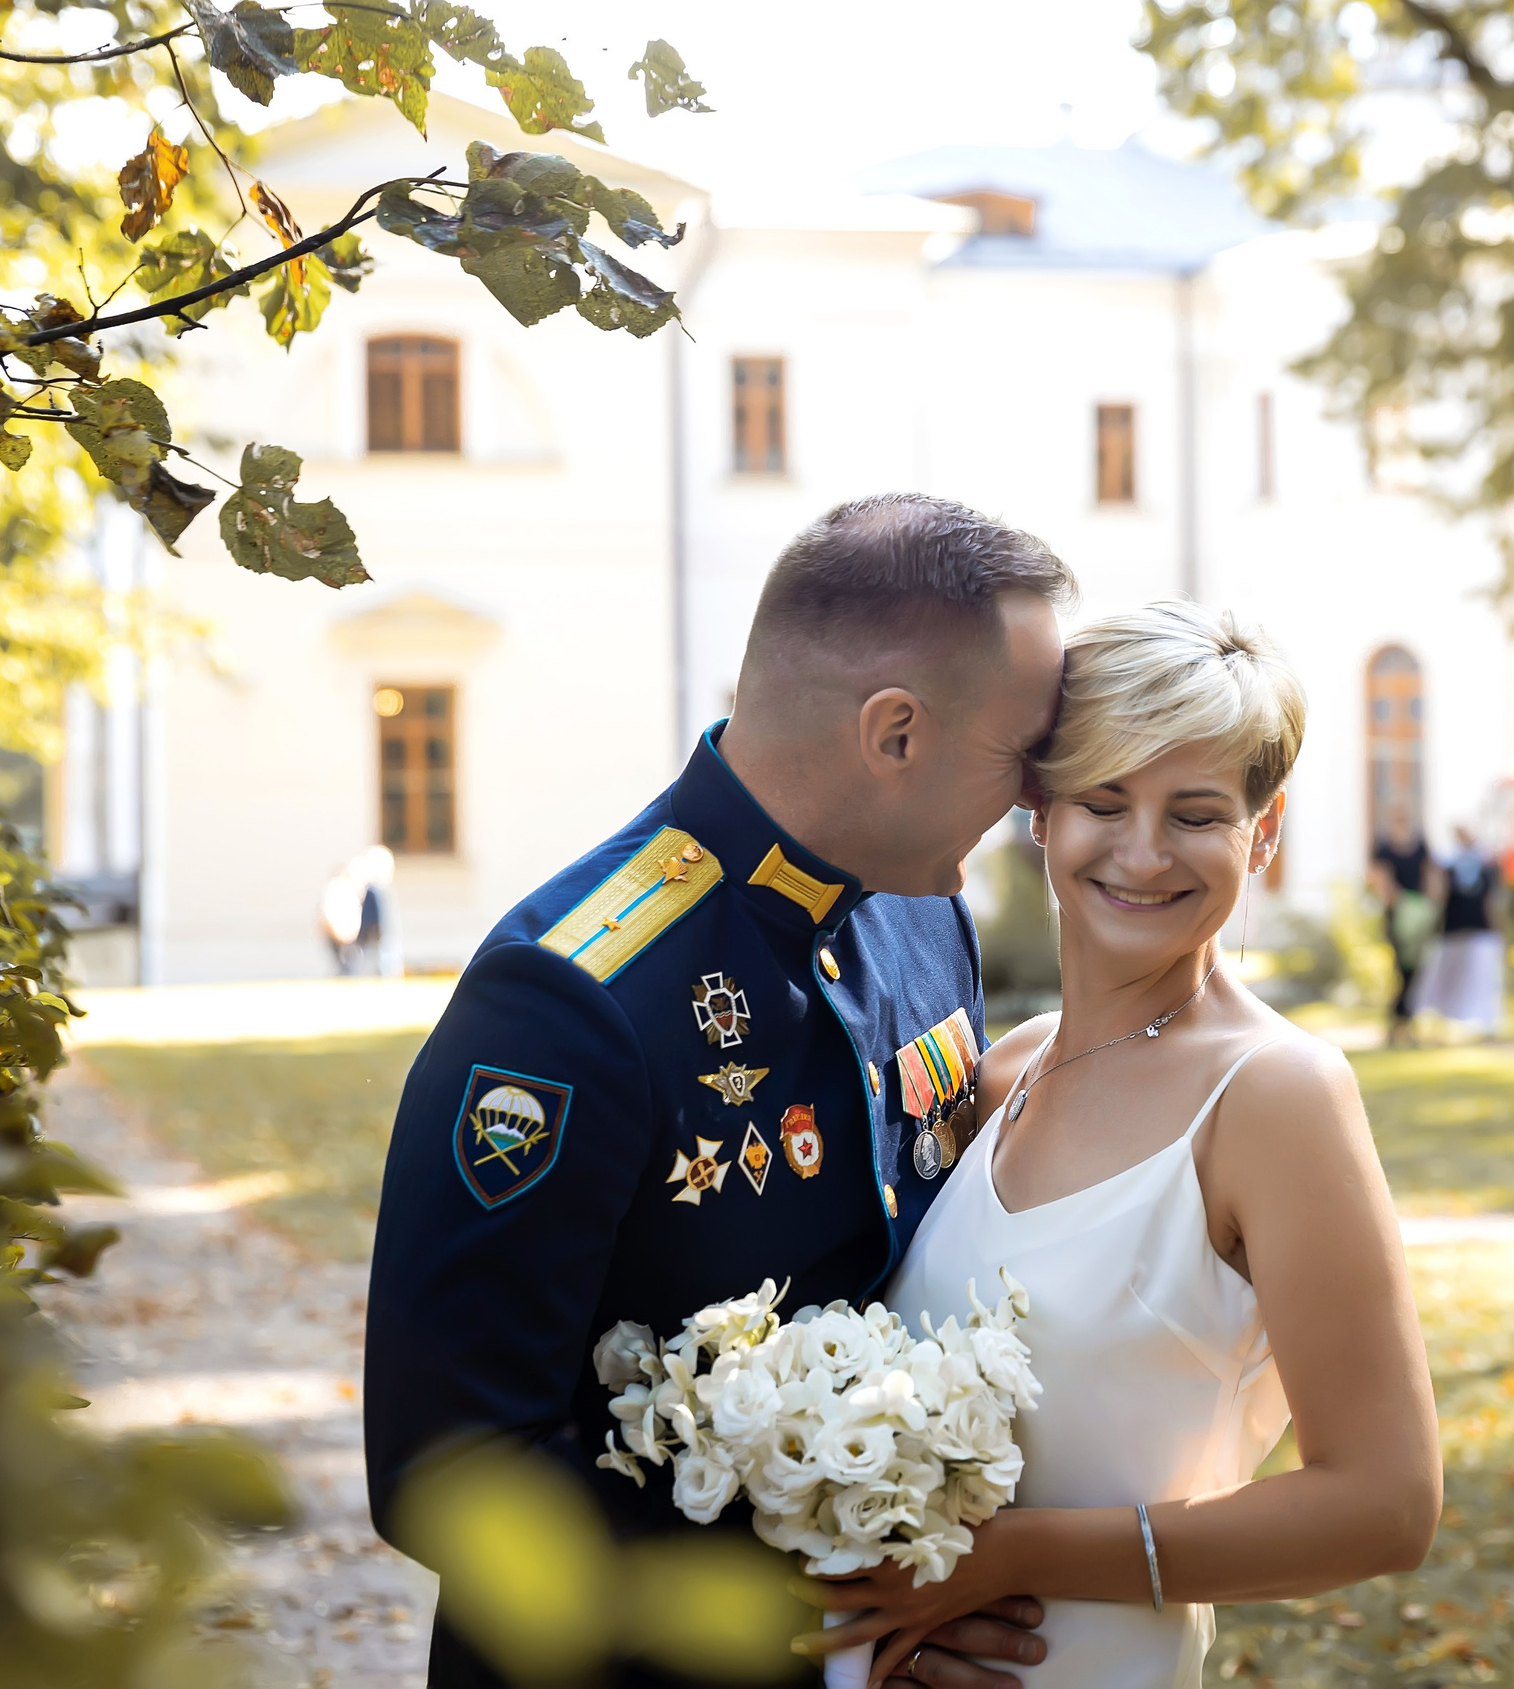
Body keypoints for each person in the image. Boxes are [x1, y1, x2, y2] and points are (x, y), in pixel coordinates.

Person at [363, 496, 1077, 1689]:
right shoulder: (573, 997)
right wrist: (841, 1600)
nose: (1033, 804)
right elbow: (451, 1471)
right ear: (894, 734)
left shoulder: (917, 908)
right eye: (1022, 758)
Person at [827, 602, 1442, 1688]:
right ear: (1040, 817)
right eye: (1103, 802)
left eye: (1196, 813)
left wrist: (997, 1561)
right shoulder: (1003, 1070)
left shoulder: (1276, 1098)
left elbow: (1384, 1506)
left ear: (1264, 831)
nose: (1143, 852)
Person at [1413, 823, 1503, 1037]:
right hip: (1453, 930)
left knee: (1482, 979)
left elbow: (1494, 899)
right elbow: (1436, 895)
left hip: (1480, 930)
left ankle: (1486, 1024)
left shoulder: (1486, 861)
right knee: (1445, 979)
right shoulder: (1446, 863)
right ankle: (1439, 1021)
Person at [1367, 807, 1434, 1047]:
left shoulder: (1420, 845)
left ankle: (1404, 1022)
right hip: (1397, 915)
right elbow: (1381, 881)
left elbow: (1429, 875)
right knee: (1401, 970)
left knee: (1416, 970)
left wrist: (1427, 905)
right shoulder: (1384, 848)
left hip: (1419, 914)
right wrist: (1401, 903)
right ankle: (1398, 1023)